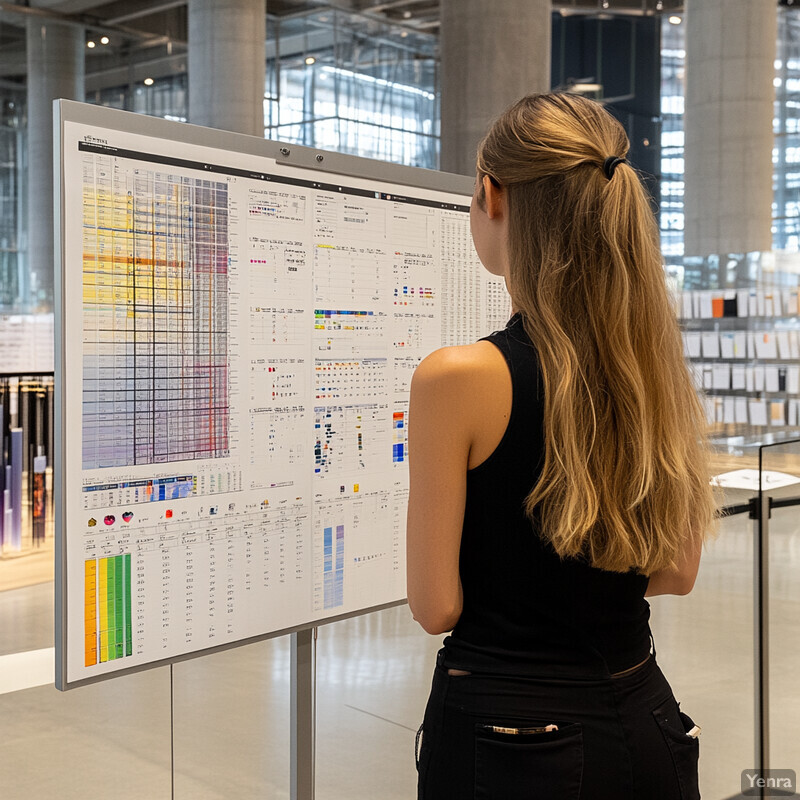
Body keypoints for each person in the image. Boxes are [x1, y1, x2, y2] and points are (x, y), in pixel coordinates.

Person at [406, 93, 719, 800]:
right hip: (647, 723)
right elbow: (676, 572)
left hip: (507, 742)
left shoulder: (457, 378)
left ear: (493, 195)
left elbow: (436, 607)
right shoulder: (651, 371)